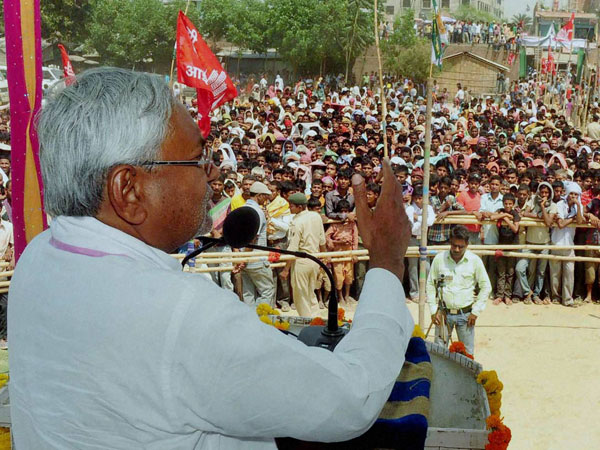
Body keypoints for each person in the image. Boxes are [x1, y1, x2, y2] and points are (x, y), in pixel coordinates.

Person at [10, 68, 415, 449]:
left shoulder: (39, 259)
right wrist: (386, 263)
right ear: (128, 190)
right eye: (196, 160)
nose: (211, 175)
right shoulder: (178, 315)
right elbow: (350, 398)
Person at [426, 225, 491, 355]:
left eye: (460, 246)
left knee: (467, 355)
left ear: (467, 244)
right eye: (454, 245)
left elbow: (486, 286)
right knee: (440, 353)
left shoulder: (474, 261)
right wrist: (433, 310)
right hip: (443, 315)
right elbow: (430, 285)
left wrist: (476, 311)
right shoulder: (439, 259)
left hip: (466, 316)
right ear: (450, 242)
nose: (456, 249)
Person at [281, 193, 327, 316]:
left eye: (292, 206)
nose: (290, 208)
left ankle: (307, 323)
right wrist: (325, 257)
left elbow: (293, 248)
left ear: (300, 207)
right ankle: (315, 319)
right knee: (310, 294)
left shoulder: (297, 222)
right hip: (315, 261)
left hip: (301, 262)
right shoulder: (316, 217)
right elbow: (322, 240)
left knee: (301, 297)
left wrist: (286, 269)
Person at [239, 181, 276, 306]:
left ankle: (250, 321)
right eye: (265, 196)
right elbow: (252, 239)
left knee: (248, 293)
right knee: (267, 291)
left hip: (244, 256)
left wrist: (241, 258)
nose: (266, 199)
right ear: (259, 195)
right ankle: (261, 319)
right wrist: (244, 259)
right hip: (255, 258)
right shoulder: (257, 212)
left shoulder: (242, 209)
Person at [325, 199, 359, 306]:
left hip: (348, 250)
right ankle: (340, 297)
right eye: (342, 211)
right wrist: (336, 242)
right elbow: (326, 237)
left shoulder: (352, 223)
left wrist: (355, 253)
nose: (344, 214)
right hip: (337, 251)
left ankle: (347, 296)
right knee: (339, 276)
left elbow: (355, 238)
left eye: (346, 211)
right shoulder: (334, 224)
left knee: (349, 274)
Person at [490, 193, 520, 305]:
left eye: (510, 204)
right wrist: (504, 216)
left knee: (510, 272)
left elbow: (515, 229)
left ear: (513, 204)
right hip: (501, 245)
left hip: (512, 246)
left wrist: (506, 220)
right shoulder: (500, 210)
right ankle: (499, 295)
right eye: (506, 203)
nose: (507, 206)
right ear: (503, 203)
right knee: (501, 271)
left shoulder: (515, 213)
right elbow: (493, 217)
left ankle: (507, 295)